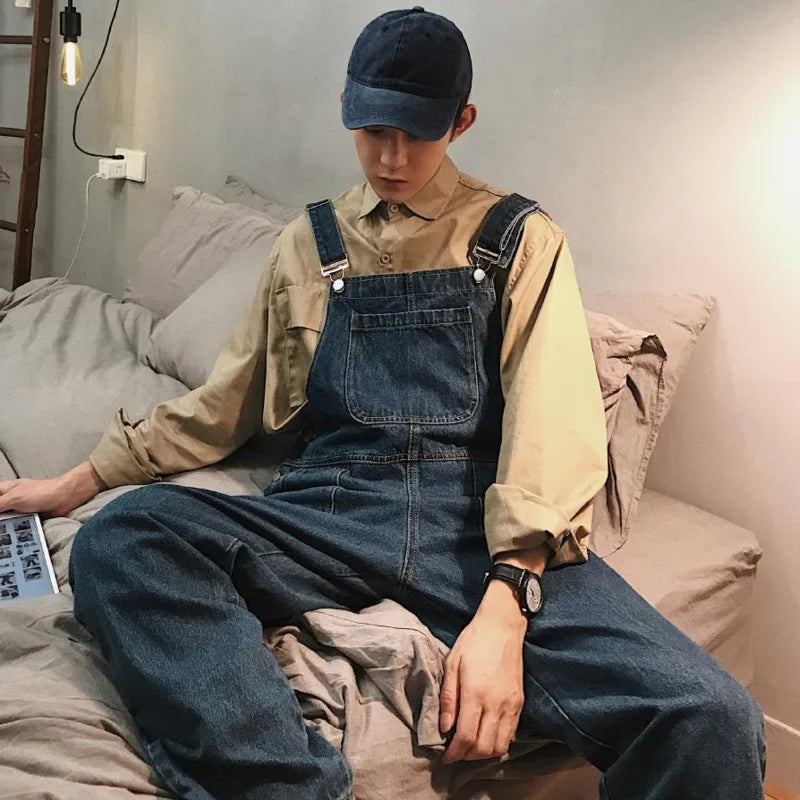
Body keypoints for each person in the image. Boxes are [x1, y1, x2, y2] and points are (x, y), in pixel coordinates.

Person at [0, 7, 765, 800]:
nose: (392, 158)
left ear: (461, 122)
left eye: (417, 133)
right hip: (331, 506)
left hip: (473, 524)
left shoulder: (519, 239)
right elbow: (225, 403)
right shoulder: (309, 243)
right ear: (347, 107)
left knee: (708, 715)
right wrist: (81, 479)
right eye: (372, 131)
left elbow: (551, 424)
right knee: (124, 539)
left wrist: (507, 604)